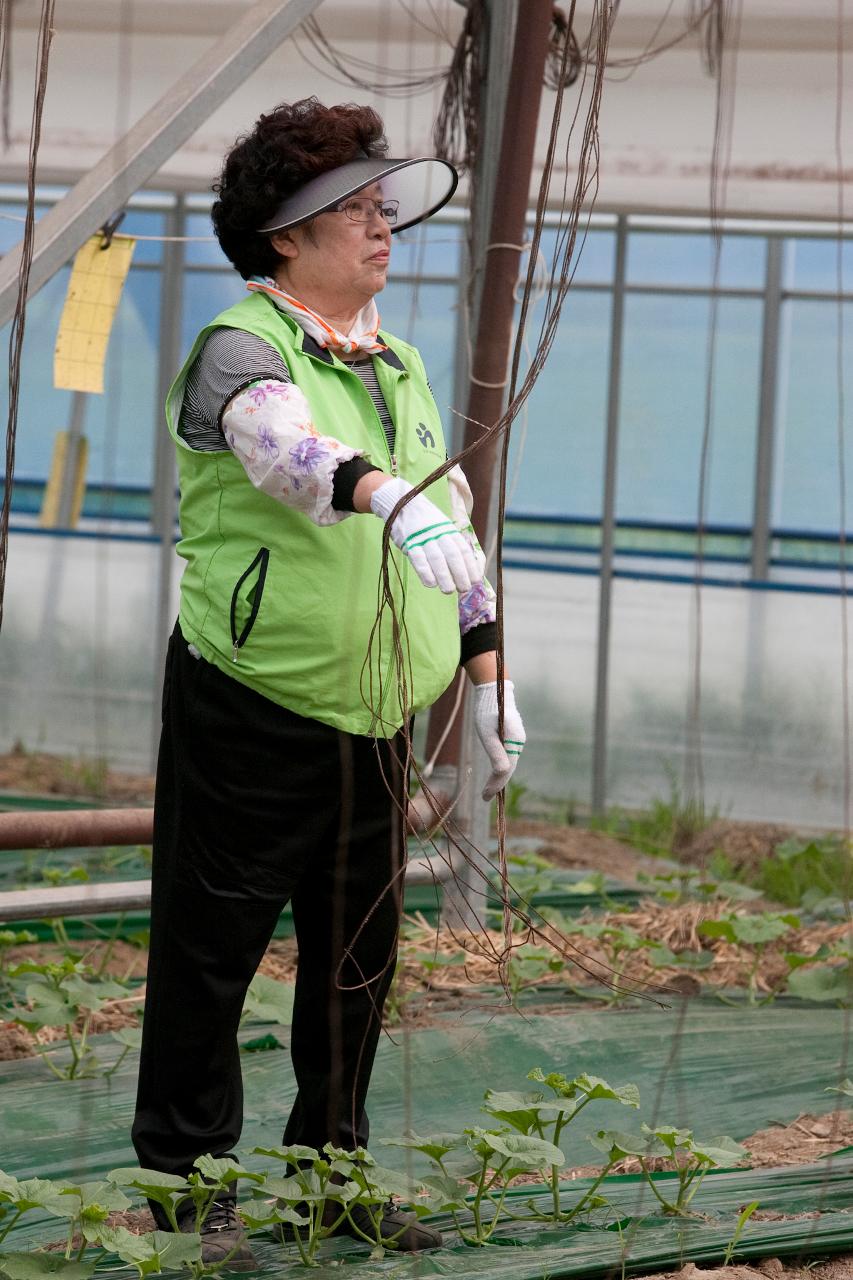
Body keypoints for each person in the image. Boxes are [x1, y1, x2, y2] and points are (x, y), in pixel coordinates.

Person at [131, 97, 526, 1266]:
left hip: (373, 717)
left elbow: (450, 528)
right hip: (251, 706)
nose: (380, 227)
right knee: (211, 954)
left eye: (379, 206)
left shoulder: (395, 363)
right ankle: (189, 1191)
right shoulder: (241, 350)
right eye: (349, 210)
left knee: (357, 960)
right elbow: (284, 450)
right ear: (282, 240)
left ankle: (328, 1178)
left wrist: (490, 674)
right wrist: (379, 492)